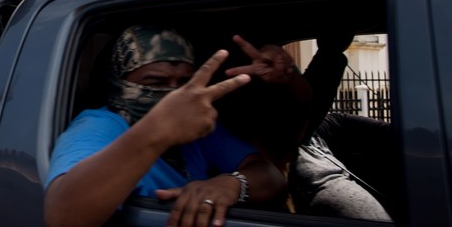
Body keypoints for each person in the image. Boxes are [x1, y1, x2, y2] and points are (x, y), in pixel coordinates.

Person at [45, 25, 285, 227]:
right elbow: (63, 216)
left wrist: (231, 184)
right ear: (119, 82)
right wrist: (157, 132)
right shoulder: (100, 126)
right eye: (156, 82)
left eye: (183, 82)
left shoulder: (195, 129)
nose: (173, 94)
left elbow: (271, 177)